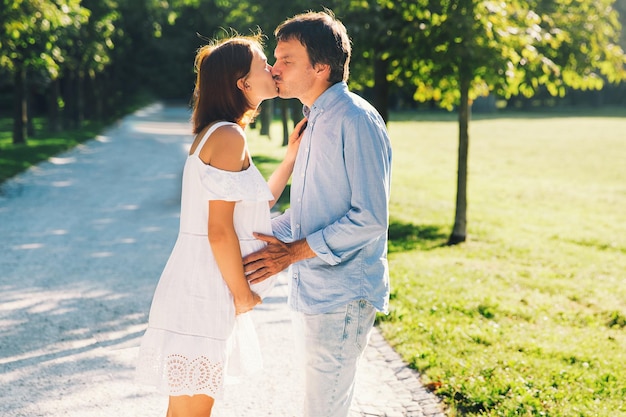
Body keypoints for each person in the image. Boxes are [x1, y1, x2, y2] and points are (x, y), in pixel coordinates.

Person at [135, 34, 305, 417]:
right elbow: (220, 229)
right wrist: (242, 294)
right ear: (242, 83)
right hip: (205, 288)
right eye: (264, 65)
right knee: (191, 412)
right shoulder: (227, 136)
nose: (273, 70)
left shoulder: (223, 133)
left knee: (184, 410)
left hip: (199, 283)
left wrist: (291, 157)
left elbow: (257, 204)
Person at [243, 10, 392, 417]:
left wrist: (291, 253)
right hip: (314, 289)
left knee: (323, 410)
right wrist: (244, 237)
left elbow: (370, 218)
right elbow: (305, 214)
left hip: (342, 292)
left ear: (321, 66)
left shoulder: (357, 120)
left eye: (286, 59)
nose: (274, 68)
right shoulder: (313, 121)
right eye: (276, 58)